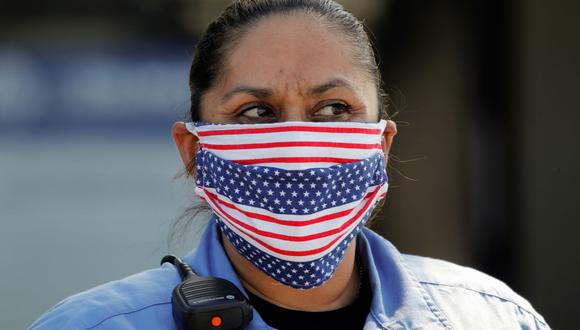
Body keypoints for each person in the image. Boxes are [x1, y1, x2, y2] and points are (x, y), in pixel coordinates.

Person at [31, 0, 549, 329]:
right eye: (256, 112)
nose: (298, 148)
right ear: (194, 152)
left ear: (381, 145)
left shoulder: (490, 317)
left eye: (334, 109)